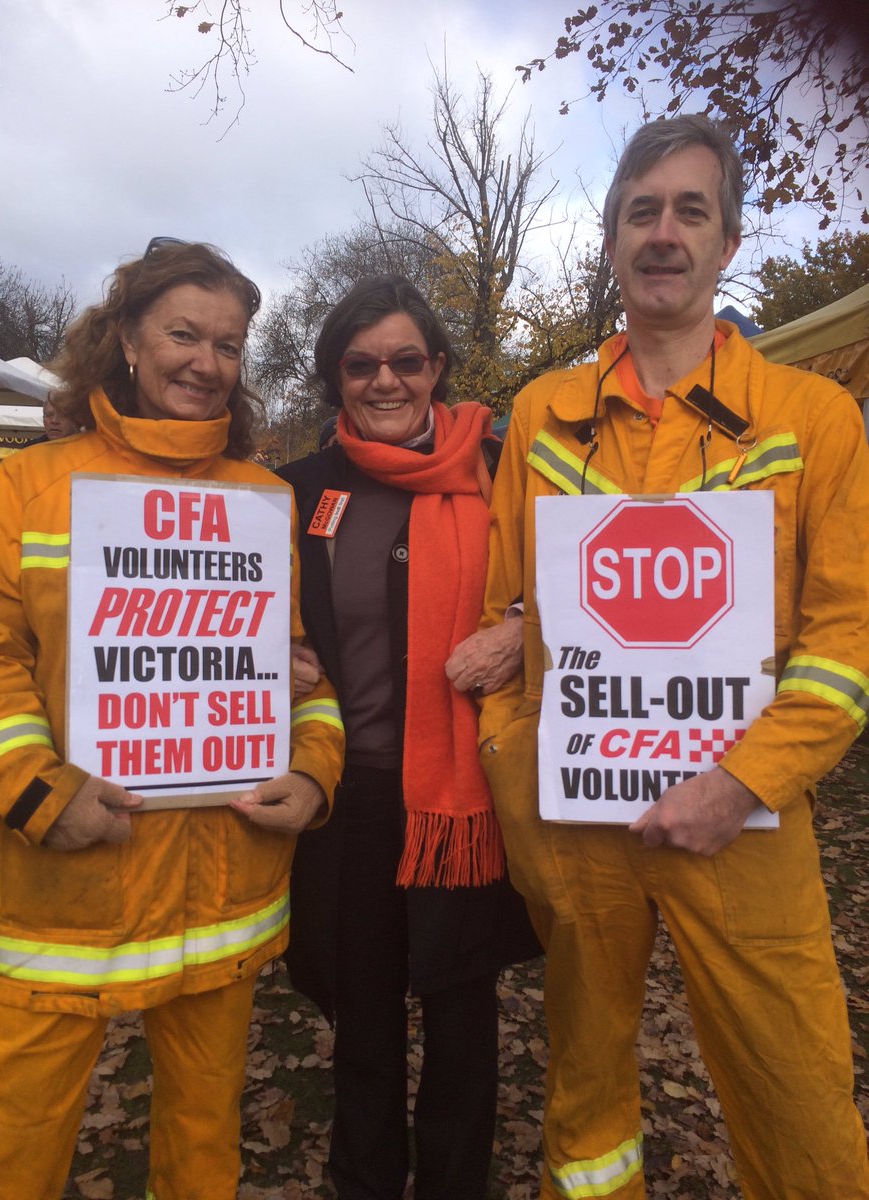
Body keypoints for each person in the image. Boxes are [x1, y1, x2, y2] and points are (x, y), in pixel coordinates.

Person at [479, 115, 869, 1200]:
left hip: (739, 817)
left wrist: (741, 780)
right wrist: (520, 774)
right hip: (578, 826)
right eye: (641, 211)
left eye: (689, 211)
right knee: (587, 1094)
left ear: (728, 243)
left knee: (799, 1098)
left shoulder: (813, 416)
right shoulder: (542, 417)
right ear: (609, 238)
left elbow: (847, 641)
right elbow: (500, 611)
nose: (663, 233)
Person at [0, 239, 344, 1200]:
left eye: (228, 344)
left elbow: (297, 672)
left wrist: (313, 774)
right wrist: (40, 793)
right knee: (6, 1152)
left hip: (224, 892)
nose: (205, 362)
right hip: (67, 888)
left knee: (202, 1147)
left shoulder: (263, 503)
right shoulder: (29, 487)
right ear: (128, 337)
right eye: (184, 333)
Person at [271, 275, 540, 1200]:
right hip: (350, 796)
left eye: (406, 361)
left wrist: (520, 633)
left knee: (465, 1017)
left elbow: (580, 588)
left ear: (439, 370)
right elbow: (237, 613)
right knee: (367, 1024)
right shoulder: (294, 493)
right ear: (333, 378)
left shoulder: (507, 471)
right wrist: (270, 653)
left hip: (471, 794)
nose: (385, 381)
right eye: (361, 364)